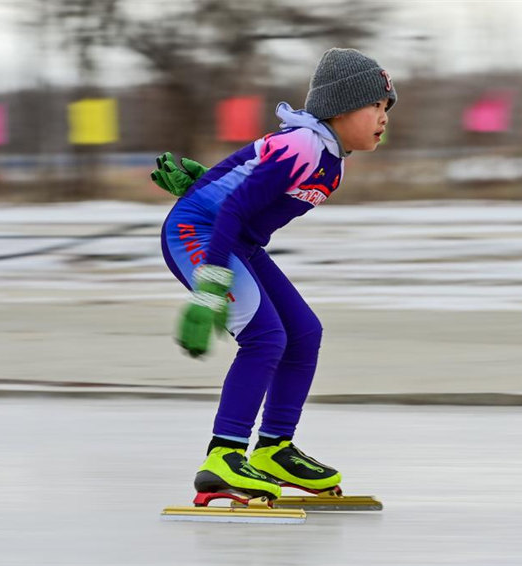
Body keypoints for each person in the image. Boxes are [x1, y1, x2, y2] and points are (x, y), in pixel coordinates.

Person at [154, 48, 397, 501]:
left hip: (236, 237)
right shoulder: (304, 145)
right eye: (376, 106)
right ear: (340, 106)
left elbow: (247, 188)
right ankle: (223, 457)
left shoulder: (331, 159)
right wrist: (210, 286)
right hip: (200, 232)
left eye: (387, 108)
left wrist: (208, 180)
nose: (384, 117)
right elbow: (233, 207)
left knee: (304, 333)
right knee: (266, 337)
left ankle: (273, 449)